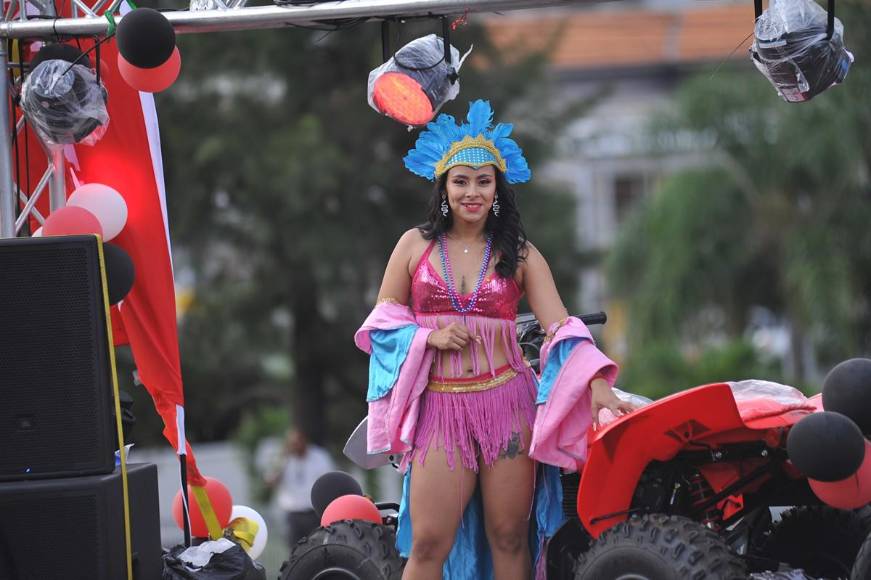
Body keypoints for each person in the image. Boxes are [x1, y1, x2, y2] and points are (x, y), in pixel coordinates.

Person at [355, 100, 637, 580]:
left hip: (508, 407)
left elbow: (560, 327)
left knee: (509, 536)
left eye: (483, 181)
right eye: (461, 180)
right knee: (427, 542)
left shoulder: (521, 253)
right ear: (443, 186)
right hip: (440, 411)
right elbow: (381, 324)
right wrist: (429, 336)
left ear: (497, 190)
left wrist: (597, 385)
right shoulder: (414, 246)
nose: (472, 192)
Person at [264, 428, 335, 550]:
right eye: (292, 443)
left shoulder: (319, 456)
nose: (295, 446)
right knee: (295, 552)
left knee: (318, 549)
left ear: (304, 441)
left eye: (297, 442)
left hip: (314, 513)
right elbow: (270, 481)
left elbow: (328, 480)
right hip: (293, 515)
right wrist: (282, 460)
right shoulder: (284, 459)